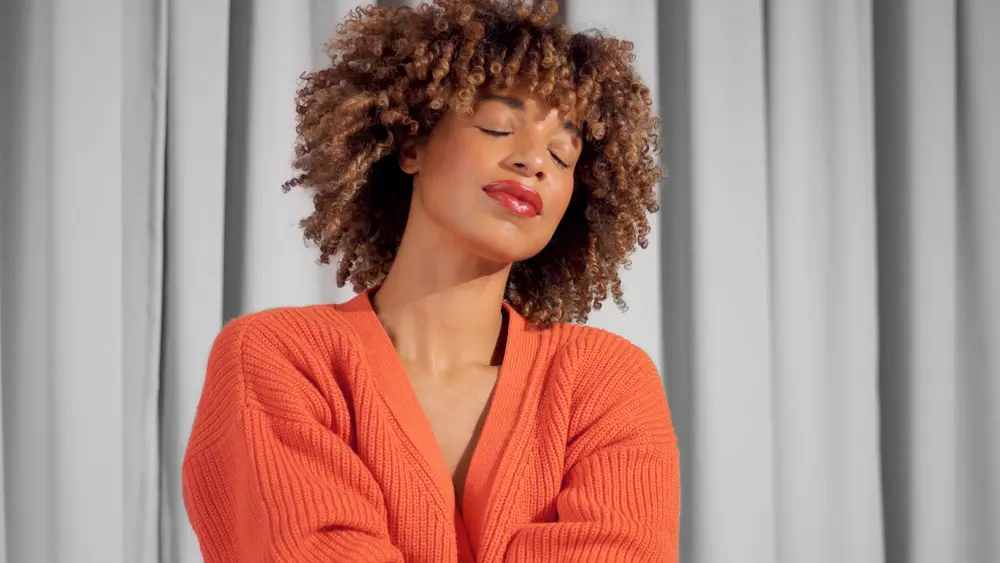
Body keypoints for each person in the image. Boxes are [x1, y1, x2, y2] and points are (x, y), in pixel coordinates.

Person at [181, 1, 680, 561]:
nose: (535, 162)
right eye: (497, 126)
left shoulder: (604, 380)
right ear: (412, 144)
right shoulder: (281, 359)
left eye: (563, 155)